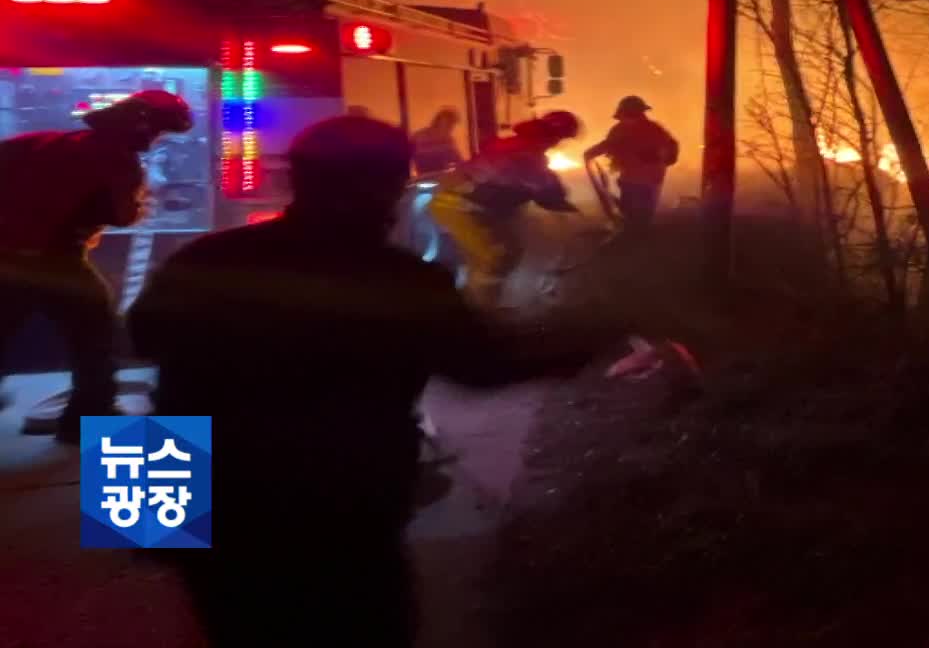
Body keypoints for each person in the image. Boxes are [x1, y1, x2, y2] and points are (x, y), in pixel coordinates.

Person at [128, 115, 628, 648]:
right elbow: (483, 369)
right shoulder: (405, 280)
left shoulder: (206, 257)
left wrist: (139, 512)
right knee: (364, 625)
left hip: (197, 491)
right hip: (340, 499)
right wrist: (600, 339)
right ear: (387, 187)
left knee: (235, 627)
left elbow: (140, 341)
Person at [0, 90, 192, 443]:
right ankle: (89, 415)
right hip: (55, 261)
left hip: (6, 257)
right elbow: (122, 216)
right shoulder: (119, 162)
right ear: (142, 126)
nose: (156, 139)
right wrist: (143, 199)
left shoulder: (43, 141)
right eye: (159, 131)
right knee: (95, 334)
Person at [425, 110, 580, 307]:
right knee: (495, 257)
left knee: (505, 252)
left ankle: (474, 300)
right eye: (560, 138)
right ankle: (480, 312)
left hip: (468, 205)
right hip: (458, 206)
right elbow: (547, 192)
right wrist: (564, 204)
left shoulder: (518, 146)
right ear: (552, 135)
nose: (557, 143)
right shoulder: (527, 154)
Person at [583, 95, 679, 233]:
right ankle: (633, 238)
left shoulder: (653, 130)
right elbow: (609, 145)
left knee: (639, 218)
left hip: (648, 181)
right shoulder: (622, 129)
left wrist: (662, 159)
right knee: (631, 216)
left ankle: (635, 240)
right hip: (632, 179)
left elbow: (671, 147)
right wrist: (591, 153)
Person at [409, 107, 463, 176]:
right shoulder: (418, 137)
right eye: (449, 124)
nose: (451, 128)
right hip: (424, 179)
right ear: (438, 122)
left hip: (442, 179)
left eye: (452, 125)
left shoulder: (448, 140)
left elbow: (458, 160)